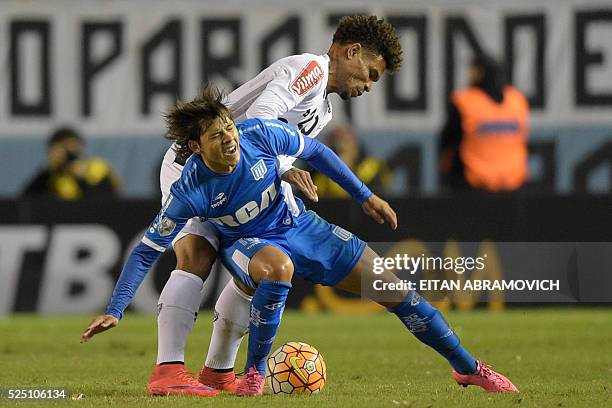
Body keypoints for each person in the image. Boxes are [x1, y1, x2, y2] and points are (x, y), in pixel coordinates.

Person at [81, 87, 518, 397]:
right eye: (216, 136)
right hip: (249, 244)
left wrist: (365, 196)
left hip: (302, 226)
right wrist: (116, 309)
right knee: (278, 270)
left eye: (229, 127)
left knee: (397, 291)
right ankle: (252, 374)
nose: (230, 138)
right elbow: (146, 250)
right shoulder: (190, 189)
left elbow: (317, 153)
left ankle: (469, 369)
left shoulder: (259, 135)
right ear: (195, 147)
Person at [116, 15, 402, 395]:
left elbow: (283, 141)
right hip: (197, 167)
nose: (368, 85)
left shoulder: (324, 108)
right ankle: (167, 370)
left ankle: (218, 372)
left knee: (258, 265)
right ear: (351, 52)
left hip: (243, 175)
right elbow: (261, 119)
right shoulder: (309, 71)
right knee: (197, 255)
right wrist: (284, 170)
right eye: (370, 73)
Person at [439, 53, 529, 192]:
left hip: (472, 185)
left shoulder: (465, 101)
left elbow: (447, 142)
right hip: (514, 185)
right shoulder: (517, 100)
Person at [22, 127, 119, 200]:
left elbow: (109, 201)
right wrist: (47, 173)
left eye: (70, 147)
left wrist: (81, 179)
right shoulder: (50, 175)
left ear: (80, 147)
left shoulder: (97, 168)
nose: (67, 153)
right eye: (61, 147)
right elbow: (26, 202)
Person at [313, 125, 392, 198]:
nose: (342, 146)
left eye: (346, 141)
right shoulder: (317, 169)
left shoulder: (374, 167)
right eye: (336, 141)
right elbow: (317, 194)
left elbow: (379, 194)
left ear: (355, 144)